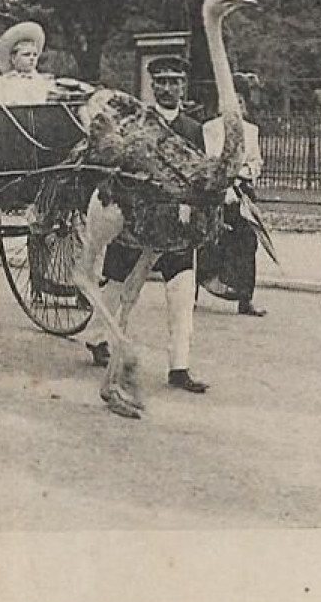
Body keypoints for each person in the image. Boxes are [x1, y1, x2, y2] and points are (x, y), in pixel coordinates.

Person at [84, 61, 210, 393]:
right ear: (153, 87)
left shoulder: (193, 129)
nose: (169, 88)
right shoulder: (137, 124)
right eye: (162, 82)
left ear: (184, 87)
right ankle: (97, 338)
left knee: (181, 291)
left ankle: (179, 367)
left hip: (177, 223)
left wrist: (191, 208)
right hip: (137, 221)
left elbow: (200, 176)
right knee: (115, 284)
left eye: (175, 81)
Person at [199, 89, 268, 317]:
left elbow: (256, 160)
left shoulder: (251, 130)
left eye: (238, 101)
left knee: (248, 241)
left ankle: (245, 298)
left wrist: (245, 172)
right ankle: (194, 291)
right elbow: (209, 158)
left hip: (241, 192)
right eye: (229, 101)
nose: (233, 106)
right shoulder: (210, 128)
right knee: (206, 239)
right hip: (216, 192)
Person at [0, 22, 57, 106]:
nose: (32, 58)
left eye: (35, 55)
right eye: (26, 54)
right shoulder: (3, 83)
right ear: (13, 59)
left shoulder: (42, 81)